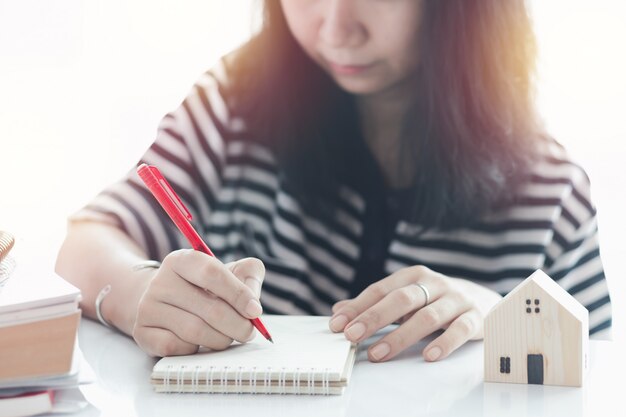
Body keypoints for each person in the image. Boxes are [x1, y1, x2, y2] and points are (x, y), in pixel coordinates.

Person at [56, 0, 612, 362]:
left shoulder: (550, 191)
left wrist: (496, 314)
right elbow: (87, 241)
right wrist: (135, 294)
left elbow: (598, 374)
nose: (336, 27)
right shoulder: (236, 101)